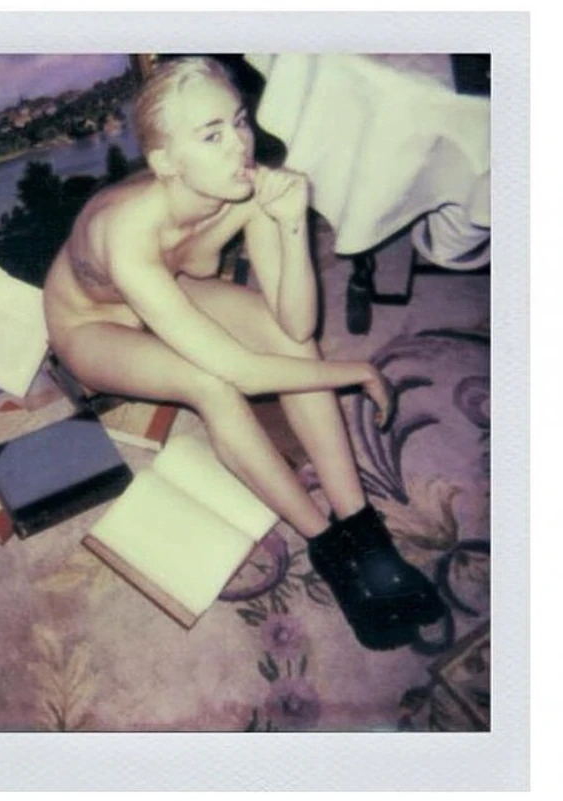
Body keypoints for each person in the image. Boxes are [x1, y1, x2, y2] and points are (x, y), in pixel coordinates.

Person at [43, 57, 445, 650]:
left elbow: (297, 324)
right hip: (91, 324)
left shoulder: (249, 188)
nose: (240, 145)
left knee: (292, 344)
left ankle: (364, 530)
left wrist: (290, 224)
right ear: (166, 163)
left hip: (173, 289)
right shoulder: (126, 231)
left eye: (238, 121)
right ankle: (332, 551)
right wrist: (356, 370)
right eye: (211, 136)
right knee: (212, 384)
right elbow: (240, 371)